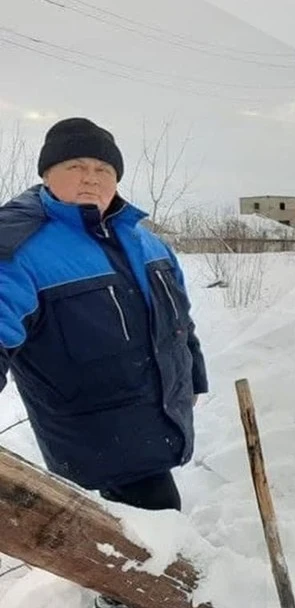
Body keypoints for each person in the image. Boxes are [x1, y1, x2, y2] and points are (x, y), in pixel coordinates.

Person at [0, 118, 207, 606]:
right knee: (146, 553)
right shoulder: (20, 251)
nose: (91, 176)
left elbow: (181, 324)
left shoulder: (147, 242)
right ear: (48, 175)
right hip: (94, 441)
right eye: (75, 165)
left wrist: (192, 379)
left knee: (151, 543)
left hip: (156, 421)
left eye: (102, 167)